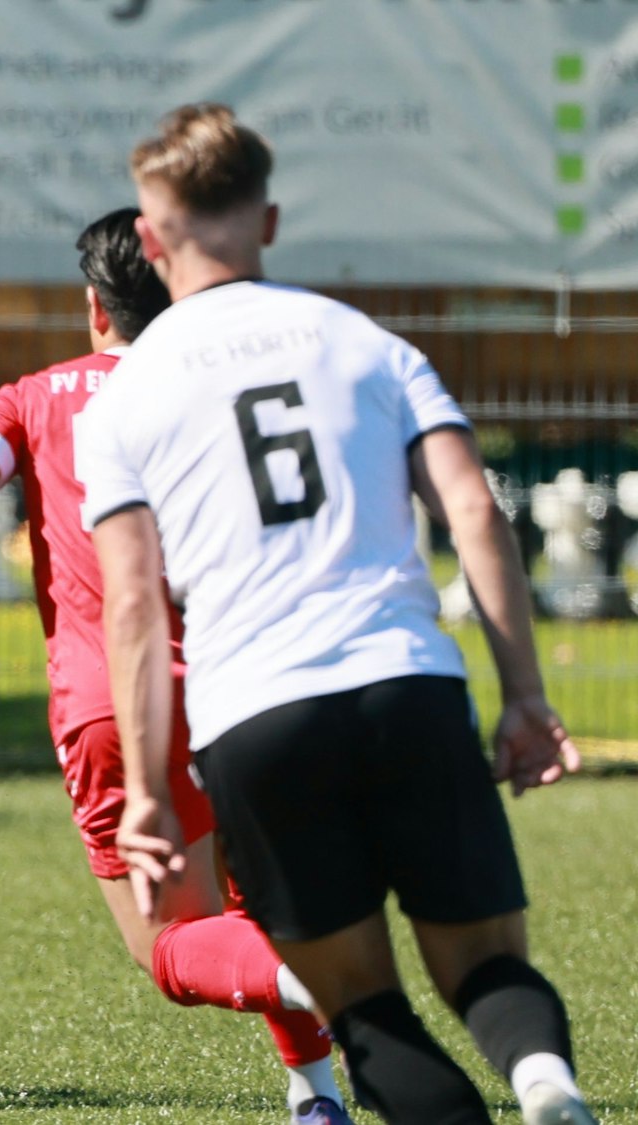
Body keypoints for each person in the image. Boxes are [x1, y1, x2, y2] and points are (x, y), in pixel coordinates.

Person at [77, 103, 595, 1125]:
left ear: (148, 238)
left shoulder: (125, 397)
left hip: (257, 720)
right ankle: (544, 1082)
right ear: (265, 220)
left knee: (365, 1010)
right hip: (404, 682)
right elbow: (470, 512)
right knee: (485, 966)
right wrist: (524, 697)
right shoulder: (364, 343)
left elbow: (132, 606)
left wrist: (144, 791)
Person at [0, 208, 352, 1124]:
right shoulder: (227, 387)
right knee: (248, 895)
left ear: (94, 304)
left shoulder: (34, 396)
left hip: (116, 697)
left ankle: (325, 986)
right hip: (256, 681)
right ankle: (316, 1094)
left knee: (175, 947)